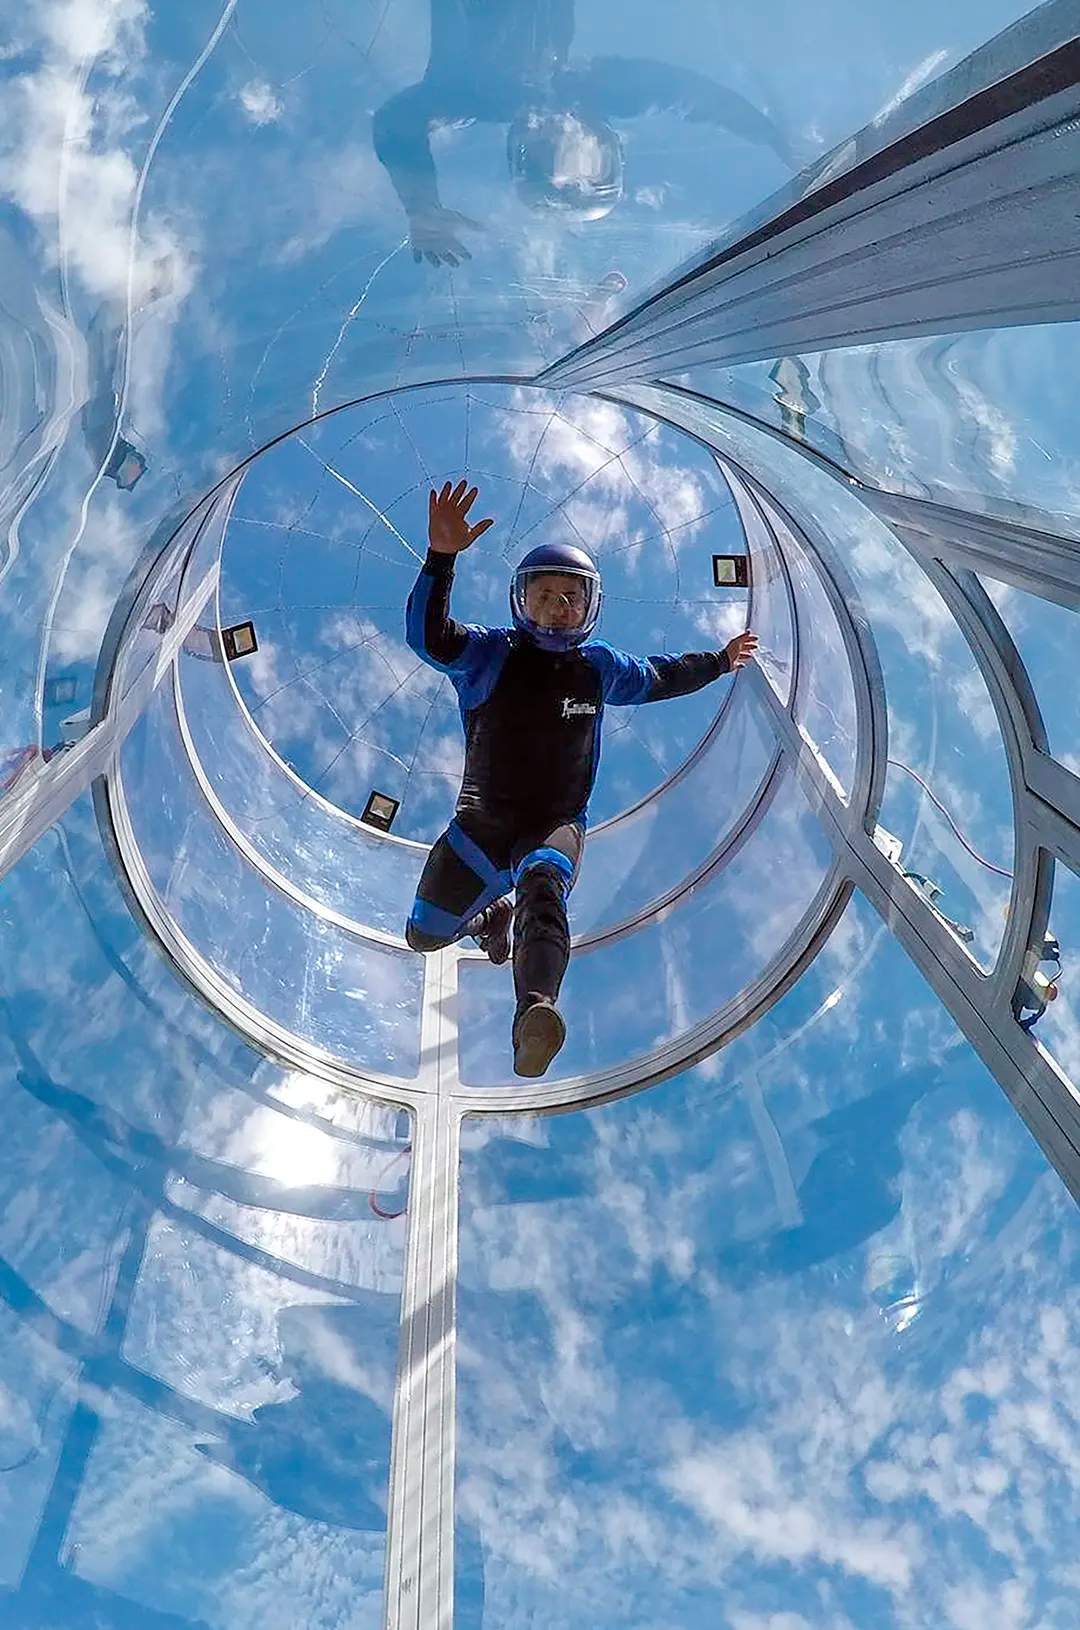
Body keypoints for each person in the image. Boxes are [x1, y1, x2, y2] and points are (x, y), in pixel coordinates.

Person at [404, 479, 758, 1077]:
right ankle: (490, 920)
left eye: (572, 596)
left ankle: (535, 1010)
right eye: (544, 595)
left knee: (545, 887)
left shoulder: (598, 668)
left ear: (589, 607)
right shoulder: (491, 654)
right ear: (521, 603)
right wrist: (441, 558)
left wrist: (719, 662)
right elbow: (431, 639)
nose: (558, 607)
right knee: (424, 936)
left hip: (554, 825)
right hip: (479, 827)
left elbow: (659, 676)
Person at [373, 0, 802, 266]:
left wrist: (420, 204)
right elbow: (691, 96)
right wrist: (771, 135)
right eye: (589, 159)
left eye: (548, 156)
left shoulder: (474, 97)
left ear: (519, 151)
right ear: (610, 142)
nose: (566, 134)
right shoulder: (595, 86)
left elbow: (397, 123)